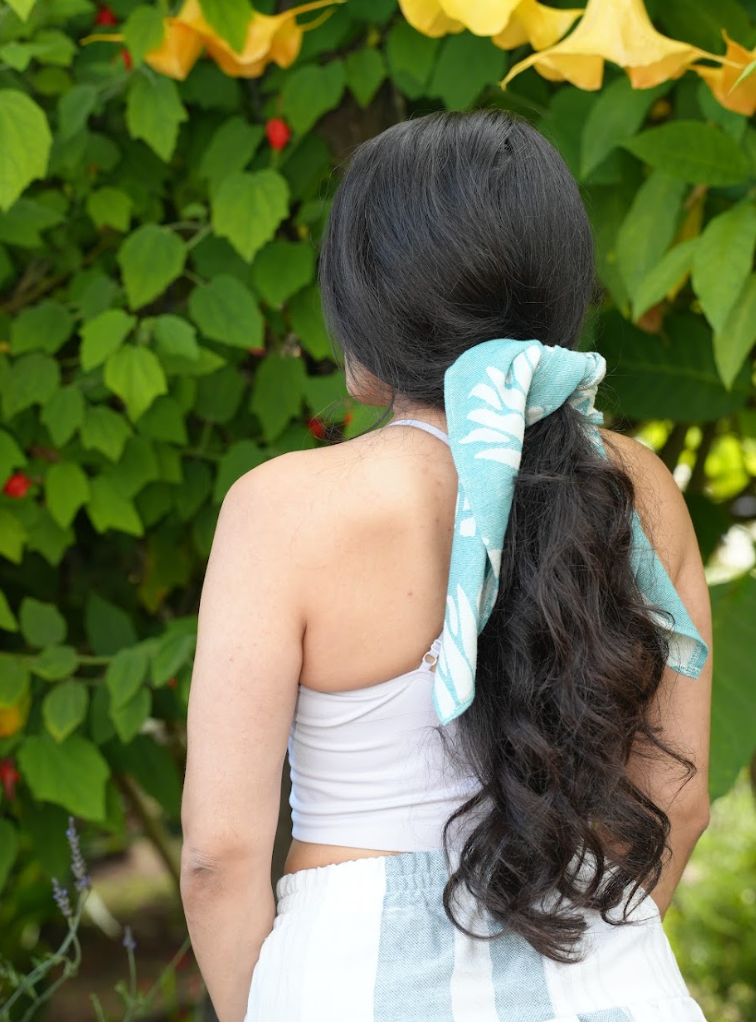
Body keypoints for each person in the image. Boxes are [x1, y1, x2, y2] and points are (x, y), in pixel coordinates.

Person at [179, 110, 713, 1022]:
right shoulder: (636, 488)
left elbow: (217, 858)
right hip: (608, 975)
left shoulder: (282, 509)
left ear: (367, 300)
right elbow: (679, 796)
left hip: (349, 978)